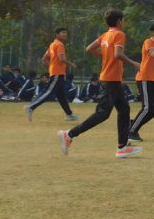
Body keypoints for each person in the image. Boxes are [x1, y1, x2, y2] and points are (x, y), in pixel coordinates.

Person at [57, 9, 143, 159]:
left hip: (110, 78)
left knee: (124, 109)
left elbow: (89, 48)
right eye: (123, 20)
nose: (124, 22)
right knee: (103, 113)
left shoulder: (105, 35)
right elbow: (118, 54)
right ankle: (69, 134)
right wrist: (134, 63)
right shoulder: (119, 34)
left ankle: (122, 147)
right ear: (119, 21)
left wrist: (105, 56)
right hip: (111, 79)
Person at [27, 27, 79, 122]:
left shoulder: (52, 44)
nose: (65, 34)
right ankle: (31, 107)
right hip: (57, 73)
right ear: (57, 34)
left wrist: (52, 66)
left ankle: (69, 114)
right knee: (48, 92)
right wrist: (72, 64)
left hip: (57, 73)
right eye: (63, 32)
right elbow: (62, 59)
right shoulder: (59, 44)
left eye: (66, 33)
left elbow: (44, 59)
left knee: (61, 96)